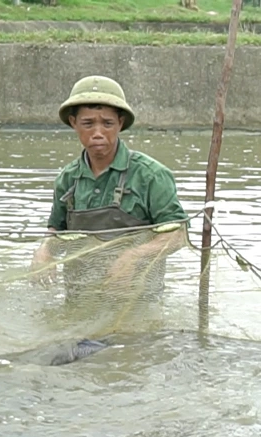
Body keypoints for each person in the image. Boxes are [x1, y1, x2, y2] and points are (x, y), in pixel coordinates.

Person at [30, 75, 189, 301]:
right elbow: (57, 229)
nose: (98, 132)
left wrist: (133, 256)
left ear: (120, 123)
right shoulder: (68, 178)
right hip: (80, 299)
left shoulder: (151, 175)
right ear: (74, 123)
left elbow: (178, 233)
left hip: (135, 299)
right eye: (88, 123)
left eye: (107, 123)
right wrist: (45, 251)